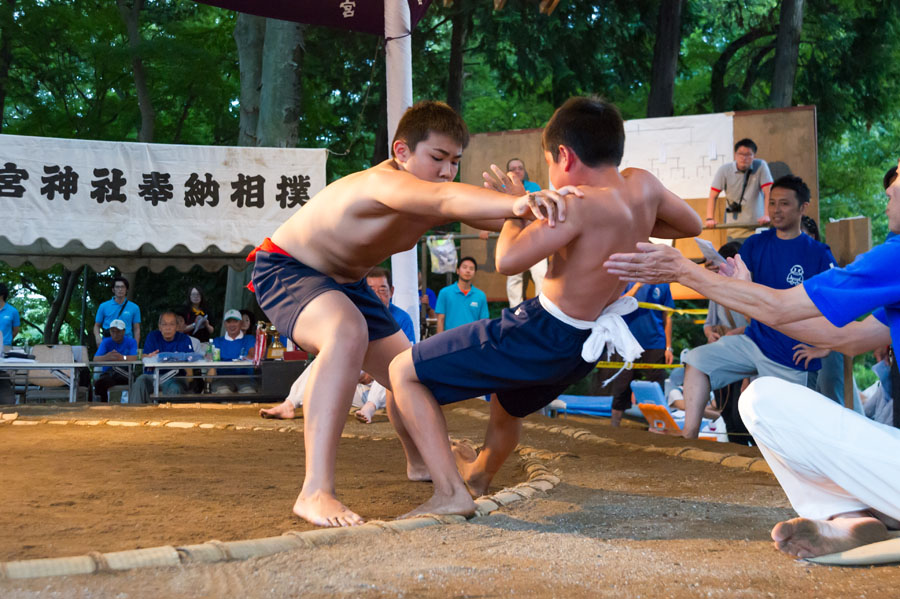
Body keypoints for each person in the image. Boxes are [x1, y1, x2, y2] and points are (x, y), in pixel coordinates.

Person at [247, 99, 576, 527]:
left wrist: (534, 204)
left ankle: (422, 463)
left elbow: (503, 217)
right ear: (402, 152)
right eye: (437, 157)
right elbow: (444, 197)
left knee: (408, 370)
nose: (446, 170)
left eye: (455, 162)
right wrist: (517, 205)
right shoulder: (381, 184)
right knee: (346, 332)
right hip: (290, 268)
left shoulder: (433, 195)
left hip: (348, 283)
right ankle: (315, 491)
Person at [387, 96, 702, 518]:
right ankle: (478, 475)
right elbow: (692, 225)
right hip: (581, 346)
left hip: (542, 331)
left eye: (548, 164)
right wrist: (633, 222)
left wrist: (520, 207)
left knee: (401, 371)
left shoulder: (576, 203)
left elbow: (507, 260)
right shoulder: (642, 186)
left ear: (564, 156)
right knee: (508, 402)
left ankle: (449, 493)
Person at [602, 159, 900, 559]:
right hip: (765, 342)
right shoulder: (762, 245)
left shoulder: (888, 256)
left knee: (761, 400)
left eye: (891, 194)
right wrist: (740, 291)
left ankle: (857, 511)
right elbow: (848, 339)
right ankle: (851, 518)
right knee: (760, 398)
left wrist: (683, 270)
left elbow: (779, 309)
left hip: (785, 351)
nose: (886, 203)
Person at [675, 176, 836, 439]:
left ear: (803, 207)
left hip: (791, 353)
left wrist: (826, 346)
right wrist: (719, 275)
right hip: (753, 340)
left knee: (791, 435)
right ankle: (689, 438)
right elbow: (737, 287)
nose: (776, 209)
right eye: (772, 203)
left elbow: (837, 301)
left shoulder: (818, 254)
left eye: (784, 203)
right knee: (696, 361)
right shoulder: (755, 244)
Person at [260, 267, 418, 423]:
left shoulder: (402, 318)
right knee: (325, 360)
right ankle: (290, 404)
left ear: (392, 291)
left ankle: (370, 407)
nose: (377, 294)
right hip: (356, 387)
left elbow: (404, 360)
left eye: (382, 289)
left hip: (383, 389)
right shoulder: (352, 315)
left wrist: (372, 373)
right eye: (372, 289)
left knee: (396, 368)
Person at [592, 282, 674, 427]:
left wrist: (668, 347)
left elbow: (667, 316)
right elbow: (615, 306)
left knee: (656, 386)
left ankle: (658, 427)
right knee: (621, 386)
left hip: (655, 342)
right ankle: (614, 426)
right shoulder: (625, 281)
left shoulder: (663, 284)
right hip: (627, 342)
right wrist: (637, 286)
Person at [706, 138, 774, 238]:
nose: (744, 158)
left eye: (748, 154)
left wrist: (767, 215)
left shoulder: (760, 166)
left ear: (754, 156)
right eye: (740, 154)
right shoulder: (725, 170)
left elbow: (769, 192)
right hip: (734, 228)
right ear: (735, 155)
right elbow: (713, 195)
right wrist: (709, 218)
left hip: (757, 226)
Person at [504, 158, 548, 307]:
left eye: (520, 168)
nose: (517, 171)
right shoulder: (504, 188)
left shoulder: (534, 186)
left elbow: (540, 210)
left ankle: (541, 310)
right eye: (513, 168)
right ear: (507, 172)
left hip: (535, 236)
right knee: (513, 278)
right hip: (514, 238)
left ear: (524, 171)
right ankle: (515, 311)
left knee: (541, 274)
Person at [131, 311, 196, 404]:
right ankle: (136, 415)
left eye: (171, 324)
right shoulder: (152, 336)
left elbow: (191, 358)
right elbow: (145, 356)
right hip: (153, 376)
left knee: (175, 388)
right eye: (164, 324)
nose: (168, 328)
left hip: (175, 377)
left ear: (177, 326)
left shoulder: (184, 339)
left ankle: (169, 418)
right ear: (159, 326)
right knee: (140, 382)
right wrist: (146, 356)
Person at [434, 257, 489, 334]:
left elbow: (484, 323)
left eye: (471, 268)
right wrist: (439, 342)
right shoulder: (445, 293)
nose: (468, 271)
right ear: (457, 271)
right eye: (464, 267)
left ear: (474, 273)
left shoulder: (480, 296)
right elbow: (440, 320)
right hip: (450, 340)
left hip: (472, 341)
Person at [210, 309, 257, 394]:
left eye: (235, 321)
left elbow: (252, 355)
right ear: (224, 324)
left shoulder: (249, 339)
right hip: (222, 379)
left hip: (245, 379)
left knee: (249, 394)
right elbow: (210, 358)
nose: (232, 325)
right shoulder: (217, 341)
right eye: (229, 322)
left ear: (241, 323)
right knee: (224, 393)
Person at [92, 319, 138, 402]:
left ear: (124, 331)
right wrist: (107, 357)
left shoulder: (131, 342)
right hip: (109, 374)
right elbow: (95, 359)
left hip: (125, 374)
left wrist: (122, 358)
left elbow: (134, 357)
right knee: (100, 384)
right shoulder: (106, 342)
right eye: (113, 331)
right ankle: (102, 406)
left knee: (136, 382)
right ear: (110, 331)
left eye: (118, 331)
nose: (115, 334)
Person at [93, 276, 141, 346]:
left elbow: (136, 329)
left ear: (127, 289)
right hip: (108, 341)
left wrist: (135, 345)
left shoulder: (134, 307)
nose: (120, 289)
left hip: (127, 342)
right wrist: (97, 337)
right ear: (113, 289)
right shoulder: (103, 306)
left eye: (123, 287)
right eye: (117, 287)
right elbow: (96, 325)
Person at [0, 282, 20, 349]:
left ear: (2, 295)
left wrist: (6, 341)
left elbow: (15, 331)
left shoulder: (13, 311)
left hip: (6, 347)